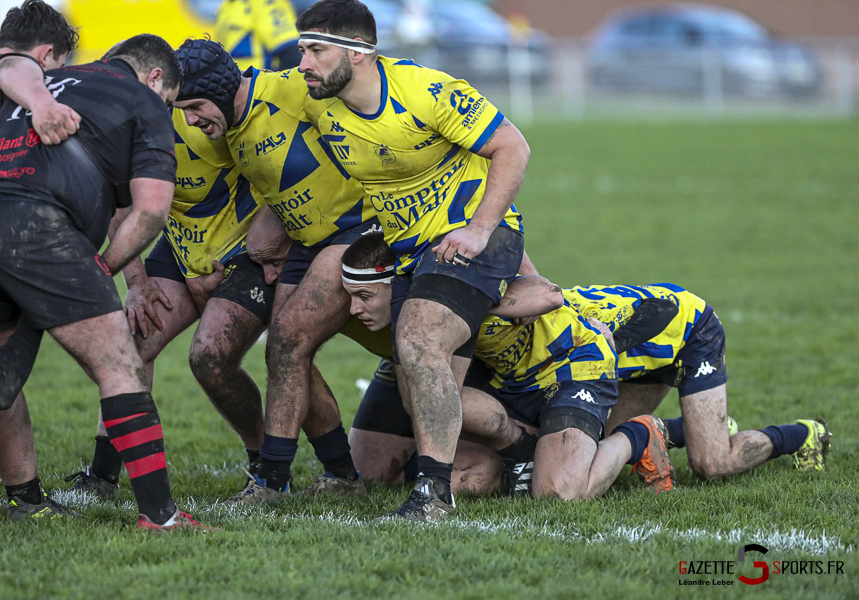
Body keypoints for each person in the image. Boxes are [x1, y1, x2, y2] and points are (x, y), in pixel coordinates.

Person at [0, 33, 215, 530]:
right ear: (156, 78)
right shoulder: (144, 101)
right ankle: (160, 517)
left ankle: (26, 496)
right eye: (169, 102)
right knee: (119, 363)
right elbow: (151, 211)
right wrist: (102, 269)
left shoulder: (43, 83)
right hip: (37, 230)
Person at [296, 0, 529, 520]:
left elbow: (514, 147)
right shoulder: (312, 95)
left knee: (419, 337)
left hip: (470, 243)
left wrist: (479, 228)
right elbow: (245, 99)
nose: (303, 63)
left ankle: (432, 494)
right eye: (301, 49)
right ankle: (520, 449)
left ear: (359, 54)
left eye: (316, 50)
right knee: (382, 446)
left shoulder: (427, 91)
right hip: (408, 253)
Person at [66, 40, 283, 499]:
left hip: (243, 250)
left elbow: (275, 176)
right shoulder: (133, 123)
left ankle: (265, 463)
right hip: (181, 247)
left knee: (210, 357)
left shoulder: (213, 117)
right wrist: (138, 283)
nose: (188, 118)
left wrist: (266, 241)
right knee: (132, 342)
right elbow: (124, 212)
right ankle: (103, 475)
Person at [340, 234, 675, 520]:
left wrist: (471, 304)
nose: (353, 310)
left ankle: (635, 435)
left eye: (365, 297)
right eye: (350, 296)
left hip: (565, 361)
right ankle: (524, 450)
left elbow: (549, 294)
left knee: (557, 494)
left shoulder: (453, 251)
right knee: (372, 473)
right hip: (490, 367)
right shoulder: (377, 303)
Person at [173, 39, 379, 503]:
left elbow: (368, 110)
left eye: (197, 107)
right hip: (304, 242)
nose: (191, 119)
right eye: (183, 110)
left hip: (356, 228)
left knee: (288, 339)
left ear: (224, 91)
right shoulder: (225, 128)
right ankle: (341, 475)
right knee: (286, 352)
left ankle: (271, 482)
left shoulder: (291, 91)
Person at [0, 0, 81, 519]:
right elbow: (15, 70)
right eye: (58, 72)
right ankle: (26, 499)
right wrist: (41, 102)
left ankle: (26, 497)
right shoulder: (18, 76)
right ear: (48, 55)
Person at [563, 283, 831, 476]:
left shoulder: (554, 325)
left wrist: (610, 345)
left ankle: (804, 435)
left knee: (713, 464)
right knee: (603, 445)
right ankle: (701, 428)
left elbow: (664, 308)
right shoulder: (534, 325)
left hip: (691, 331)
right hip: (641, 356)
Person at [215, 0, 302, 70]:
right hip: (232, 85)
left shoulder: (268, 3)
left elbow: (292, 54)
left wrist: (270, 87)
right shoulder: (226, 4)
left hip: (256, 86)